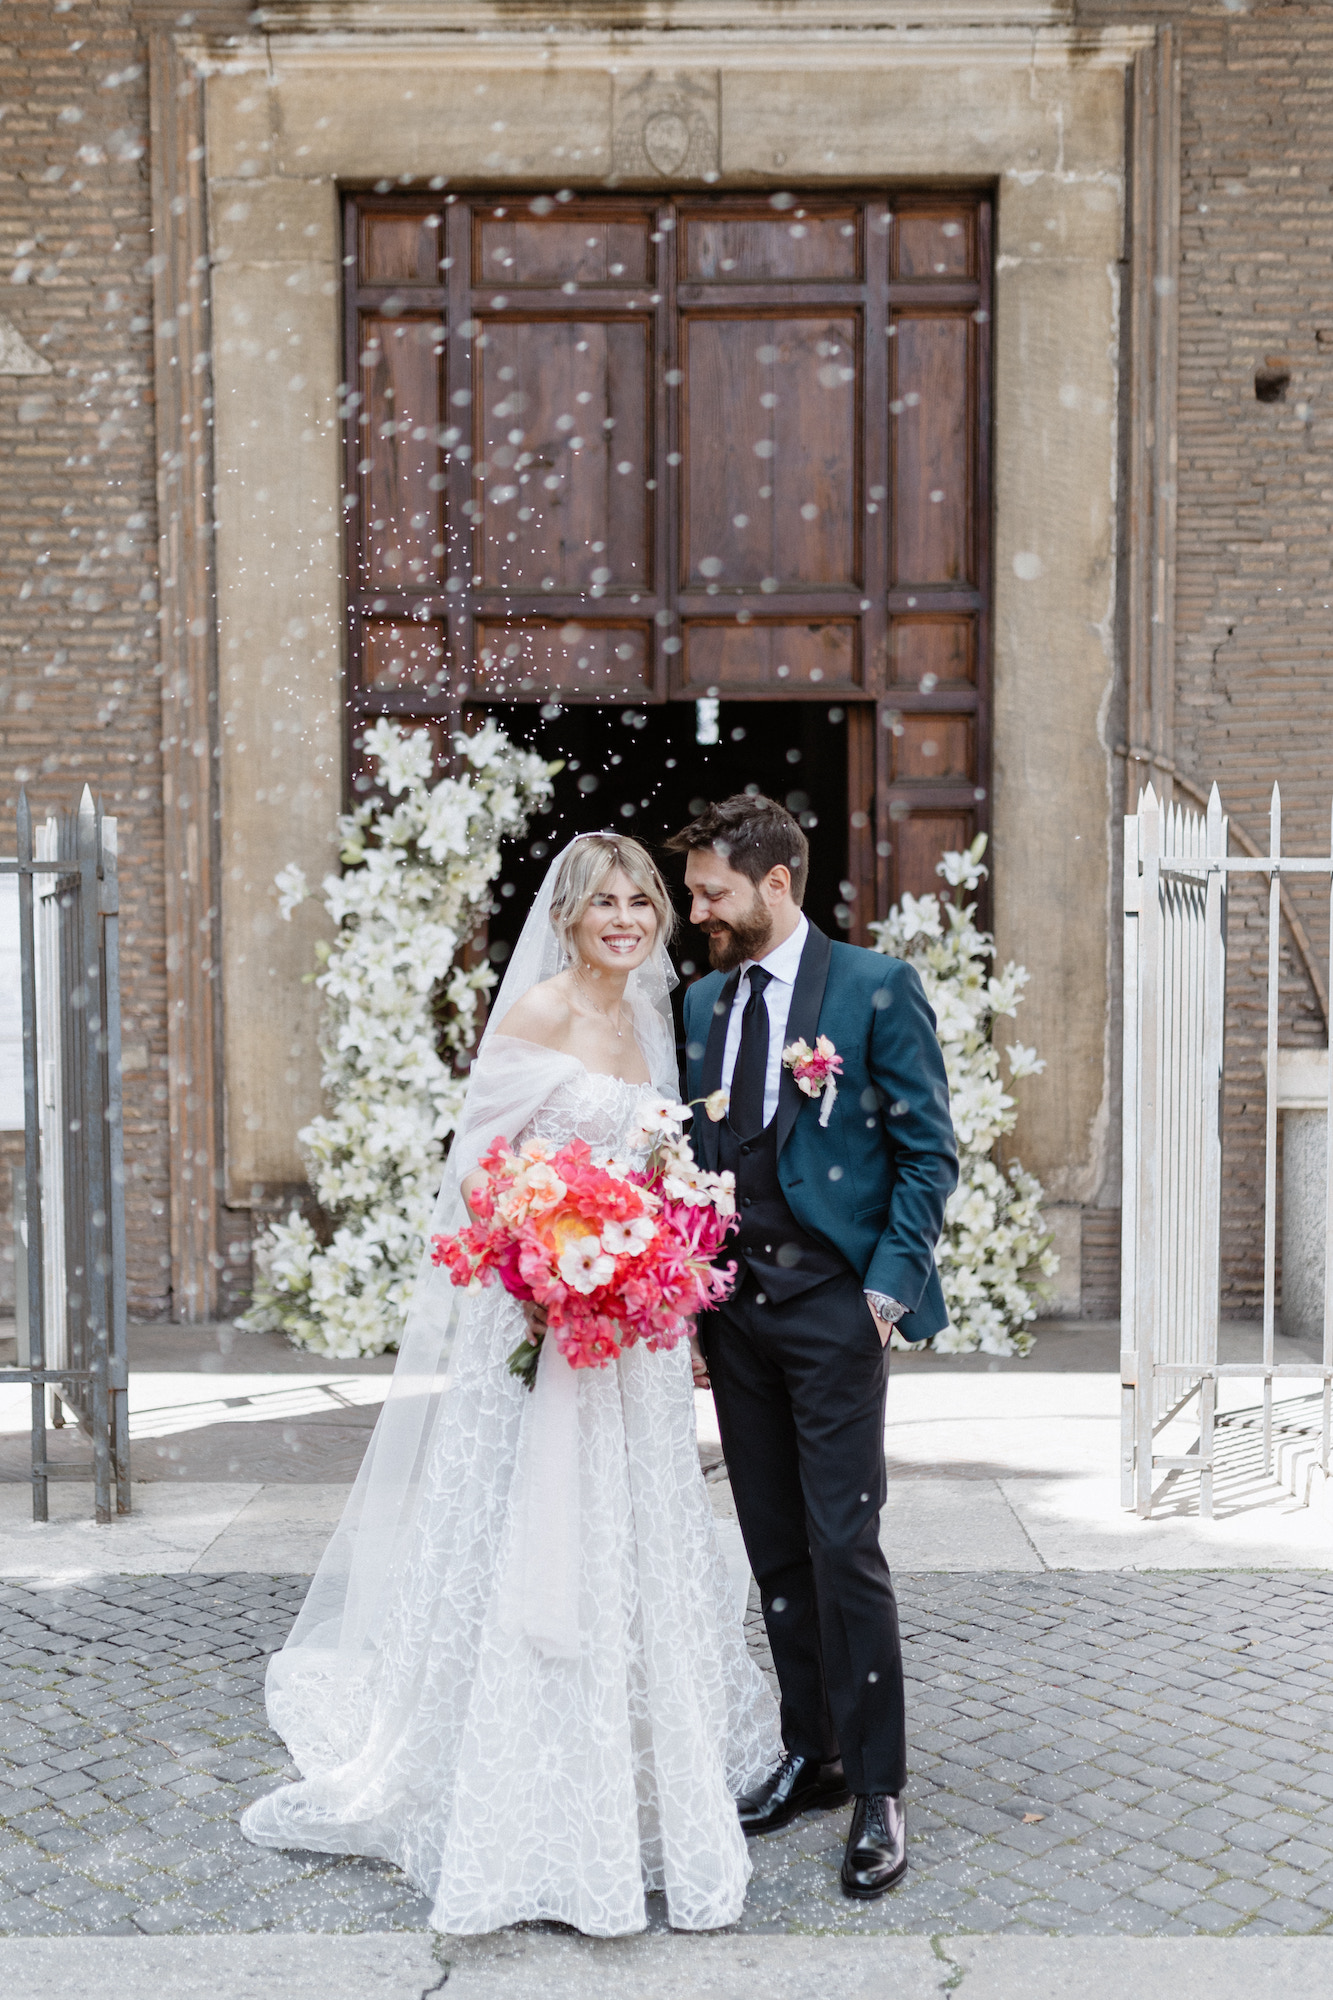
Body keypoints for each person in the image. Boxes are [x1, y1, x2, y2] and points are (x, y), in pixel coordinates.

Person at [241, 832, 780, 1936]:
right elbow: (482, 1178)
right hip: (542, 1320)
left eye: (642, 902)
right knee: (530, 1522)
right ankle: (513, 1772)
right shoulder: (536, 1012)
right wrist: (547, 1261)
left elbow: (664, 1173)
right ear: (569, 914)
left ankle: (639, 1761)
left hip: (631, 1329)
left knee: (627, 1526)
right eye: (605, 903)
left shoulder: (653, 1021)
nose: (625, 919)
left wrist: (664, 1271)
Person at [669, 795, 957, 1900]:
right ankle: (815, 1751)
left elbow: (928, 1153)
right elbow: (696, 1154)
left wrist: (884, 1293)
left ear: (775, 883)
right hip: (736, 1312)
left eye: (711, 892)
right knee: (776, 1544)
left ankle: (880, 1786)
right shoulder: (701, 1002)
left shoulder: (875, 988)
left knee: (844, 1545)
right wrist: (694, 1302)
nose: (697, 911)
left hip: (837, 1306)